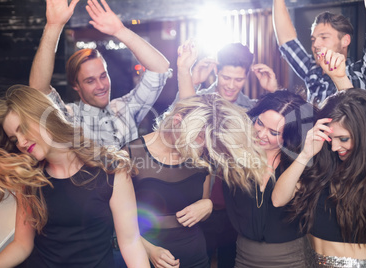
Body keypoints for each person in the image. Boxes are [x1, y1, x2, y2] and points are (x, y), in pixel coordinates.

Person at [0, 85, 149, 268]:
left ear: (44, 116)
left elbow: (130, 243)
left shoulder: (112, 170)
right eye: (14, 139)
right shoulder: (30, 178)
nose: (21, 142)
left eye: (23, 129)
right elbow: (21, 245)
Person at [123, 93, 269, 268]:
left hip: (196, 257)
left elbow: (203, 202)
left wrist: (207, 205)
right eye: (199, 136)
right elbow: (118, 224)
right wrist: (149, 250)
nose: (203, 145)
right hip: (144, 259)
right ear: (177, 121)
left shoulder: (202, 154)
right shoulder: (131, 154)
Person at [174, 41, 279, 267]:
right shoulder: (198, 98)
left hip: (236, 206)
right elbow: (173, 124)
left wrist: (274, 92)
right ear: (216, 71)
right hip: (197, 201)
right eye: (226, 77)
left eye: (238, 79)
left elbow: (280, 131)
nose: (231, 85)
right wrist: (190, 80)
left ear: (246, 77)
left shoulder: (254, 111)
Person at [29, 0, 171, 149]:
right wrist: (54, 26)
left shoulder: (125, 108)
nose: (101, 86)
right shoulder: (70, 118)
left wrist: (120, 31)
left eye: (103, 76)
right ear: (76, 86)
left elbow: (160, 68)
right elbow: (38, 90)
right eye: (90, 81)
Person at [272, 89, 366, 267]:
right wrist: (306, 154)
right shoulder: (322, 164)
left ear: (363, 135)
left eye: (343, 139)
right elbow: (278, 199)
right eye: (330, 138)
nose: (335, 147)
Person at [220, 90, 317, 267]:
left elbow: (279, 200)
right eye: (259, 123)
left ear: (289, 135)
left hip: (291, 260)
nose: (262, 134)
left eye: (273, 132)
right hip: (243, 257)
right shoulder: (238, 153)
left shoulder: (299, 163)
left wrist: (304, 156)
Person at [273, 0, 366, 106]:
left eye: (324, 37)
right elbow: (287, 41)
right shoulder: (312, 70)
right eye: (313, 39)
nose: (315, 44)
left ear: (345, 40)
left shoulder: (362, 72)